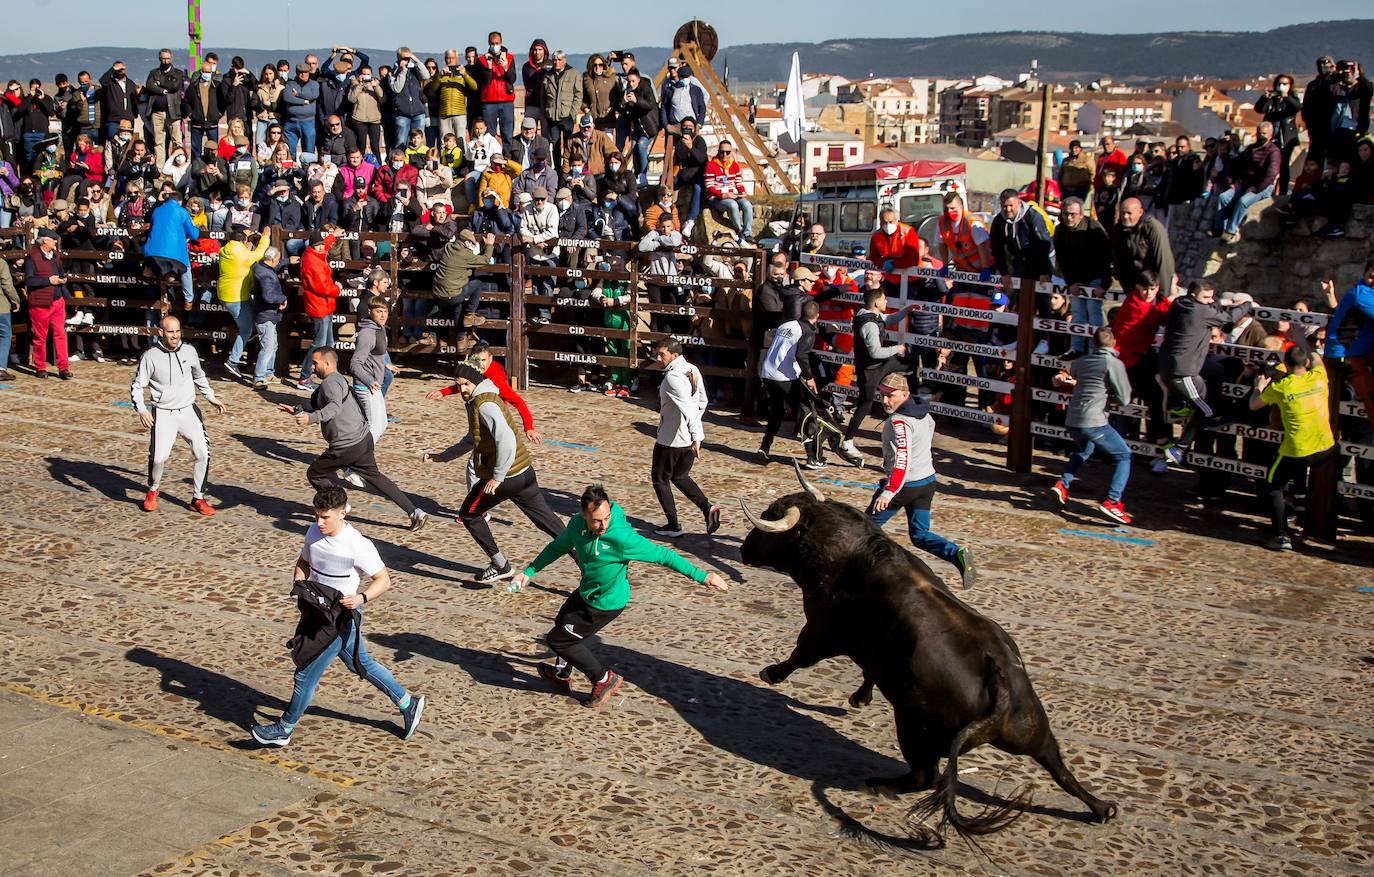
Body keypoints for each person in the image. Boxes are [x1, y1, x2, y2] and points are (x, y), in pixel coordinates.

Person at [510, 484, 729, 708]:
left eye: (606, 518)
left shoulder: (621, 537)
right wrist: (529, 571)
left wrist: (702, 576)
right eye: (596, 520)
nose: (603, 525)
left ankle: (603, 678)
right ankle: (562, 673)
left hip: (605, 603)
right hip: (587, 592)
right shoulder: (576, 525)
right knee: (563, 621)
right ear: (584, 514)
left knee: (559, 640)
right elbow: (558, 546)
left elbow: (663, 555)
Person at [250, 485, 426, 747]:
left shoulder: (358, 545)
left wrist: (361, 598)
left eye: (326, 517)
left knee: (304, 674)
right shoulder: (312, 532)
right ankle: (407, 703)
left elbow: (383, 580)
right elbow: (304, 562)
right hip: (317, 612)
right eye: (316, 516)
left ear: (344, 513)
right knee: (361, 663)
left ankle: (284, 729)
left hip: (341, 617)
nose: (319, 522)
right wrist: (299, 576)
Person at [433, 363, 563, 584]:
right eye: (459, 385)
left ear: (476, 381)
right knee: (551, 524)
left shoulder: (484, 405)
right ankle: (589, 565)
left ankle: (500, 564)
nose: (463, 389)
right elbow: (472, 439)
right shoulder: (484, 399)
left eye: (466, 384)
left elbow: (507, 440)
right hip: (524, 473)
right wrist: (443, 456)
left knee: (469, 514)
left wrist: (497, 476)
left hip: (507, 478)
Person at [279, 347, 429, 532]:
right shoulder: (337, 379)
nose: (312, 366)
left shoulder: (329, 384)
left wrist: (310, 418)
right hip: (362, 440)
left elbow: (333, 407)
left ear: (327, 363)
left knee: (315, 474)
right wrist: (297, 410)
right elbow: (323, 405)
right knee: (377, 478)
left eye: (315, 363)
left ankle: (341, 506)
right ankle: (415, 512)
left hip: (346, 445)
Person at [867, 371, 975, 589]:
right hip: (927, 481)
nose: (885, 400)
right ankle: (956, 553)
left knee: (865, 527)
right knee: (920, 534)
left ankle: (869, 571)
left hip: (905, 486)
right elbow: (930, 430)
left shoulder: (899, 421)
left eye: (891, 395)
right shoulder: (923, 412)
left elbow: (902, 460)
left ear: (905, 394)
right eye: (882, 394)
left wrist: (889, 491)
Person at [130, 314, 225, 515]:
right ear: (161, 332)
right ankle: (153, 489)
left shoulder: (190, 351)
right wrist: (142, 409)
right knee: (158, 458)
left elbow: (199, 376)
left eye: (178, 331)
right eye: (170, 332)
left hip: (188, 410)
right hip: (163, 413)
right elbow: (138, 385)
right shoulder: (150, 356)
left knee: (203, 453)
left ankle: (198, 498)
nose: (175, 336)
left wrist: (211, 397)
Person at [1251, 344, 1336, 552]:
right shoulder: (1318, 377)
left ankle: (1281, 536)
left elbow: (1253, 405)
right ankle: (1308, 516)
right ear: (1305, 363)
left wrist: (1259, 385)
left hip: (1297, 450)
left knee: (1273, 485)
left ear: (1286, 365)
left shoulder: (1281, 387)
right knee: (1301, 472)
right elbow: (1316, 356)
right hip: (1326, 448)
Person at [1156, 281, 1252, 464]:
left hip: (1180, 363)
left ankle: (1192, 403)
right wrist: (1247, 305)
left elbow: (1212, 308)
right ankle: (1180, 447)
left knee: (1217, 370)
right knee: (1207, 411)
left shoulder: (1180, 303)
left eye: (1211, 297)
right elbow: (1228, 318)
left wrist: (1215, 303)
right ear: (1194, 295)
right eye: (1205, 297)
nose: (1209, 301)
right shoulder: (1199, 312)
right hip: (1183, 372)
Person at [1049, 327, 1134, 524]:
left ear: (1093, 344)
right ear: (1113, 343)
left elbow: (1078, 378)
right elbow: (1124, 398)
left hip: (1073, 419)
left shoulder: (1081, 361)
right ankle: (1113, 501)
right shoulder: (1114, 363)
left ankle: (1063, 483)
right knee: (1124, 455)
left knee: (1085, 449)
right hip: (1094, 420)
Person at [650, 339, 722, 538]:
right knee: (680, 476)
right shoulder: (692, 369)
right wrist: (694, 432)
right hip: (686, 437)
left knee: (660, 479)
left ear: (674, 355)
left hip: (671, 439)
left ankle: (673, 525)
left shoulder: (673, 376)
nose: (657, 358)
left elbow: (688, 407)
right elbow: (701, 401)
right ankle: (708, 508)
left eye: (661, 355)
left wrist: (696, 435)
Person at [841, 283, 914, 451]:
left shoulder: (868, 314)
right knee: (864, 406)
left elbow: (888, 319)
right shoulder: (870, 325)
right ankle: (847, 441)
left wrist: (906, 311)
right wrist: (898, 348)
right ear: (876, 304)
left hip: (879, 365)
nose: (886, 302)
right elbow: (875, 352)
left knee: (910, 366)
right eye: (884, 300)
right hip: (870, 370)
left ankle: (903, 406)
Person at [425, 341, 542, 444]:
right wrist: (443, 392)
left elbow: (518, 402)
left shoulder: (497, 380)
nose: (481, 364)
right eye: (477, 360)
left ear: (490, 358)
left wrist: (529, 428)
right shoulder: (475, 371)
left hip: (495, 419)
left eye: (484, 360)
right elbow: (465, 384)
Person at [1054, 196, 1111, 356]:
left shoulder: (1094, 229)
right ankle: (1076, 348)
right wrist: (1070, 282)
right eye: (1066, 214)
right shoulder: (1060, 231)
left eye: (1073, 214)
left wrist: (1104, 284)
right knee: (1077, 312)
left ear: (1081, 214)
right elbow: (1062, 260)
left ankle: (1096, 349)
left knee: (1094, 312)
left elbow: (1106, 257)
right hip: (1075, 278)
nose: (1069, 218)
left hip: (1095, 275)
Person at [1324, 259, 1374, 431]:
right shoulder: (1362, 295)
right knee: (1370, 394)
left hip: (1357, 350)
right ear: (1364, 274)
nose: (1373, 280)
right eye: (1371, 276)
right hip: (1343, 354)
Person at [1210, 122, 1281, 242]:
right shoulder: (1251, 148)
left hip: (1262, 187)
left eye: (1263, 133)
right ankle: (1218, 229)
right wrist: (1232, 181)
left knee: (1243, 201)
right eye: (1259, 133)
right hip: (1245, 184)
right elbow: (1236, 163)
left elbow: (1271, 174)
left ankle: (1230, 231)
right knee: (1223, 197)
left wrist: (1256, 188)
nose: (1260, 136)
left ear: (1270, 135)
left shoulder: (1274, 152)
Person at [216, 229, 271, 377]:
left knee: (250, 325)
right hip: (237, 296)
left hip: (225, 293)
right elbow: (259, 254)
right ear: (243, 241)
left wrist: (248, 237)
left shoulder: (224, 251)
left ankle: (249, 339)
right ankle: (233, 360)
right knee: (246, 329)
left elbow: (245, 250)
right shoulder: (242, 255)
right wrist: (265, 236)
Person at [24, 229, 73, 380]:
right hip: (40, 303)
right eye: (53, 240)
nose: (55, 242)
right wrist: (48, 281)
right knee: (40, 336)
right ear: (45, 241)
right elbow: (29, 281)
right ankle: (40, 367)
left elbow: (60, 272)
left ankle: (63, 367)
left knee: (60, 335)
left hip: (57, 301)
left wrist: (63, 279)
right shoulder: (32, 258)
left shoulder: (55, 257)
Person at [297, 230, 340, 389]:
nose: (322, 248)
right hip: (319, 306)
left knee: (328, 343)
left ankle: (330, 374)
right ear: (313, 247)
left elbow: (325, 247)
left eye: (322, 244)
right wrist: (338, 289)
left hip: (324, 306)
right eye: (318, 245)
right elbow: (322, 287)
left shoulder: (314, 255)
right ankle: (304, 377)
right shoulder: (312, 263)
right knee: (319, 344)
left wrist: (331, 237)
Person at [1112, 197, 1174, 296]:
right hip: (1134, 286)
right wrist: (1128, 289)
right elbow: (1119, 262)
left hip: (1152, 286)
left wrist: (1162, 295)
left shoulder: (1153, 228)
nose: (1125, 216)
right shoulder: (1118, 230)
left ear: (1140, 212)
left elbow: (1163, 261)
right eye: (1122, 213)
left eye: (1129, 213)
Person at [251, 245, 287, 389]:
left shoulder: (260, 267)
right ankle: (259, 377)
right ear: (272, 259)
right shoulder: (266, 275)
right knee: (267, 347)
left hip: (266, 315)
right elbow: (268, 296)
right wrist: (282, 298)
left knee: (273, 345)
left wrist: (287, 261)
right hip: (266, 315)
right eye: (278, 260)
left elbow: (273, 268)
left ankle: (268, 373)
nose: (279, 262)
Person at [144, 49, 187, 166]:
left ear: (171, 59)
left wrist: (158, 83)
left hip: (173, 111)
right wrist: (162, 89)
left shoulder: (178, 73)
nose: (165, 61)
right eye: (163, 58)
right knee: (158, 142)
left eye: (168, 58)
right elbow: (149, 86)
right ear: (159, 58)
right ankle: (159, 169)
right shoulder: (153, 73)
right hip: (157, 112)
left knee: (177, 141)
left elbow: (174, 86)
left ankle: (178, 167)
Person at [703, 139, 753, 241]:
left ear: (731, 153)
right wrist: (724, 195)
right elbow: (709, 187)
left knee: (747, 204)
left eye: (728, 152)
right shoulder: (711, 165)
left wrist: (742, 191)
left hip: (731, 195)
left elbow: (738, 182)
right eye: (722, 152)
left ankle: (747, 233)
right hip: (715, 198)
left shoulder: (734, 165)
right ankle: (739, 231)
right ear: (718, 152)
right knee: (732, 205)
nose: (724, 155)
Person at [477, 33, 518, 145]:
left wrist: (505, 67)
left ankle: (507, 157)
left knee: (507, 133)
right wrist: (489, 67)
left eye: (497, 43)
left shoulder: (509, 58)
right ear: (488, 44)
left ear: (501, 43)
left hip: (506, 100)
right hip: (488, 101)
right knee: (489, 135)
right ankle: (491, 158)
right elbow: (485, 82)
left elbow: (512, 79)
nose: (494, 45)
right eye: (492, 43)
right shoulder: (481, 60)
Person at [0, 256, 18, 381]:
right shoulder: (1, 263)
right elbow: (7, 285)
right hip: (1, 307)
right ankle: (1, 369)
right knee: (5, 335)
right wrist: (15, 300)